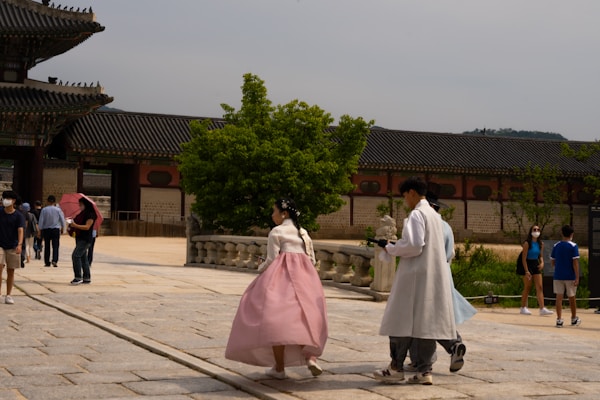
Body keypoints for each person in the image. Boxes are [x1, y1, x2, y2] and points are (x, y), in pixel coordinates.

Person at [225, 198, 328, 380]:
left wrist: (259, 268)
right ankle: (310, 357)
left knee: (276, 322)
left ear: (284, 213)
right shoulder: (303, 233)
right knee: (305, 318)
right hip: (306, 279)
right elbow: (311, 260)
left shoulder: (277, 231)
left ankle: (279, 368)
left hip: (283, 278)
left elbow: (272, 259)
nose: (272, 215)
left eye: (274, 211)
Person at [373, 177, 456, 385]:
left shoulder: (417, 214)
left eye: (404, 196)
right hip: (433, 276)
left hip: (414, 276)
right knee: (426, 324)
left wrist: (391, 247)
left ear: (411, 192)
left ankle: (396, 367)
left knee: (401, 320)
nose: (405, 201)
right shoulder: (436, 217)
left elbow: (415, 245)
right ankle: (425, 370)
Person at [405, 192, 476, 374]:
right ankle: (454, 345)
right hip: (444, 276)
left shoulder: (422, 222)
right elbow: (450, 254)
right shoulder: (446, 227)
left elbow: (415, 249)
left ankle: (420, 360)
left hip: (425, 278)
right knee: (439, 318)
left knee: (419, 322)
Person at [518, 225, 553, 316]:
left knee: (540, 286)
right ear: (531, 231)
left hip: (535, 263)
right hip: (527, 264)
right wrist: (526, 271)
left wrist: (542, 263)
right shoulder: (527, 243)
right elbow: (523, 258)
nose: (536, 231)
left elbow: (540, 255)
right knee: (528, 286)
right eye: (534, 229)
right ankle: (523, 307)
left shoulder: (541, 244)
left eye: (538, 229)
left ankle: (542, 308)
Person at [551, 225, 581, 328]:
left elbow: (553, 260)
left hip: (558, 275)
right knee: (571, 297)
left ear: (562, 233)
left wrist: (558, 268)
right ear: (571, 234)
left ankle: (559, 319)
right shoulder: (573, 246)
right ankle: (573, 318)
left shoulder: (556, 245)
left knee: (559, 297)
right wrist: (577, 277)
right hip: (570, 275)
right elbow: (575, 263)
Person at [0, 191, 25, 304]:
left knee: (11, 271)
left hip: (13, 245)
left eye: (8, 198)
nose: (5, 200)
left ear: (13, 201)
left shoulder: (18, 215)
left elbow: (20, 230)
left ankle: (8, 294)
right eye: (4, 198)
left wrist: (19, 244)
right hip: (0, 244)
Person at [66, 197, 97, 285]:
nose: (80, 207)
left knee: (75, 256)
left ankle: (78, 277)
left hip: (85, 239)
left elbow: (87, 227)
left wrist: (75, 225)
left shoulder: (91, 214)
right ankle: (86, 277)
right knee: (83, 258)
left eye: (81, 205)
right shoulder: (82, 214)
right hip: (79, 237)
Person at [37, 195, 65, 268]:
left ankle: (47, 262)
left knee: (47, 246)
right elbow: (62, 219)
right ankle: (54, 260)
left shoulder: (44, 210)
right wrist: (62, 228)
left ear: (47, 201)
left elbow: (41, 221)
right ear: (54, 202)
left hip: (47, 230)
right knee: (55, 246)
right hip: (56, 229)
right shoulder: (58, 210)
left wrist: (40, 230)